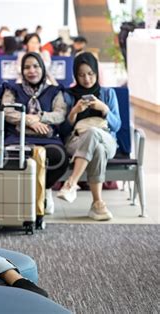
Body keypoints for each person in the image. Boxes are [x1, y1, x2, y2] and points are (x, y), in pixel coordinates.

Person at [1, 52, 69, 215]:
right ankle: (23, 196)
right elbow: (7, 111)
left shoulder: (54, 91)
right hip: (18, 137)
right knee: (12, 156)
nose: (32, 71)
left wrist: (39, 117)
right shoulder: (13, 89)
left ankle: (44, 190)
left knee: (59, 157)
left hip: (47, 138)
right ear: (22, 71)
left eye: (36, 66)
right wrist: (28, 120)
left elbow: (60, 114)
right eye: (27, 67)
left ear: (43, 68)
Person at [58, 52, 121, 221]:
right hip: (76, 140)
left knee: (95, 135)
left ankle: (71, 183)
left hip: (107, 139)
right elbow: (62, 130)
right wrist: (73, 112)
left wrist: (104, 109)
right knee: (97, 149)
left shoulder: (108, 94)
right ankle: (98, 204)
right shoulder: (68, 95)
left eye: (90, 74)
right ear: (75, 75)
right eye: (81, 75)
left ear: (96, 73)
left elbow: (117, 126)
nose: (86, 79)